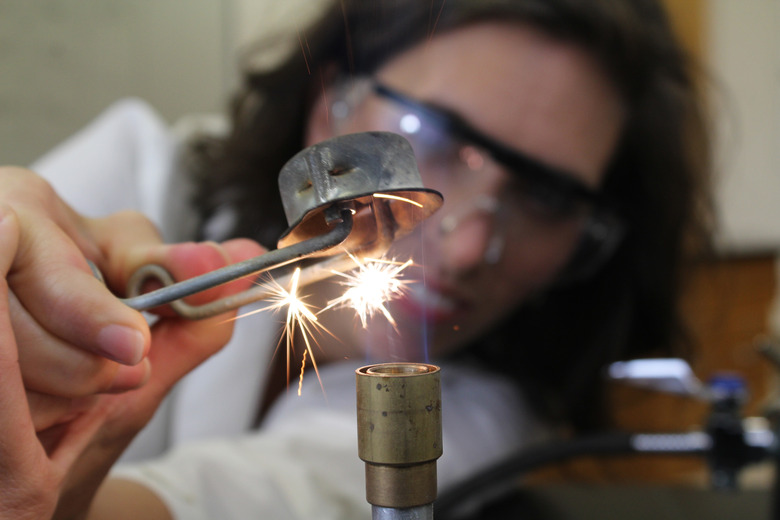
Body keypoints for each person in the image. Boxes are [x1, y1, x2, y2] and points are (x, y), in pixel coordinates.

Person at [0, 0, 713, 518]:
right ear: (328, 105)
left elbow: (272, 495)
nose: (465, 247)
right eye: (431, 134)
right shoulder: (145, 173)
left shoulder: (486, 410)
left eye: (548, 198)